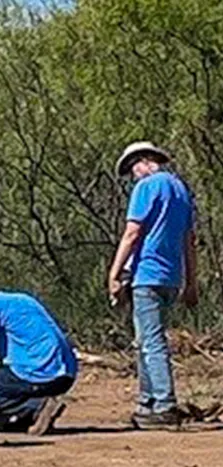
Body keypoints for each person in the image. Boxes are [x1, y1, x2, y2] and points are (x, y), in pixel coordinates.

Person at [108, 141, 197, 430]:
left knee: (152, 341)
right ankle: (147, 402)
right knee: (145, 340)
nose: (134, 175)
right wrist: (191, 281)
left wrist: (114, 271)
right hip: (171, 277)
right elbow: (188, 240)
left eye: (133, 168)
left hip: (147, 273)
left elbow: (132, 233)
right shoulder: (181, 190)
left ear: (144, 161)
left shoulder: (146, 188)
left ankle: (163, 402)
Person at [0, 284, 77, 436]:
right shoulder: (17, 299)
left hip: (39, 370)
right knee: (2, 387)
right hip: (64, 373)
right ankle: (28, 417)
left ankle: (36, 407)